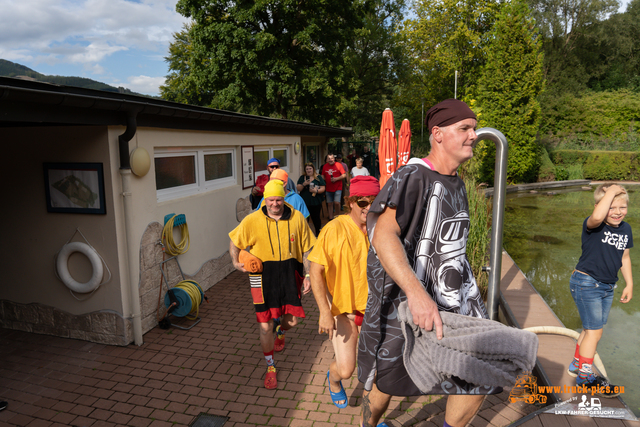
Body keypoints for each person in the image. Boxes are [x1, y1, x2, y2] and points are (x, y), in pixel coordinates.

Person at [357, 99, 498, 427]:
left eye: (474, 128)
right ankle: (368, 424)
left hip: (452, 305)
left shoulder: (456, 182)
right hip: (409, 306)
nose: (473, 135)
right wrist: (417, 293)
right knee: (388, 377)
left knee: (478, 369)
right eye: (464, 128)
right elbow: (383, 236)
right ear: (437, 134)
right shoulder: (414, 176)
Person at [229, 180, 316, 389]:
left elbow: (308, 249)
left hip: (290, 274)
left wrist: (309, 274)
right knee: (265, 325)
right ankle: (270, 367)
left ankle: (282, 331)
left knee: (292, 321)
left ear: (283, 198)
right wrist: (235, 261)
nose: (275, 204)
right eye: (271, 200)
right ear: (265, 199)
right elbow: (234, 240)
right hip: (261, 278)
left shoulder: (297, 218)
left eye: (278, 199)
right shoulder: (252, 220)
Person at [309, 176, 380, 408]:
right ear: (350, 202)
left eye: (374, 201)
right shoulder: (334, 229)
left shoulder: (381, 228)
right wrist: (324, 312)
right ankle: (333, 377)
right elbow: (316, 270)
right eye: (362, 202)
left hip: (374, 313)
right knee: (347, 369)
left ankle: (370, 418)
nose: (368, 207)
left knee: (377, 371)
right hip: (344, 313)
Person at [565, 182, 633, 397]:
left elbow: (625, 256)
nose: (617, 213)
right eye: (611, 207)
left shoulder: (626, 229)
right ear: (599, 205)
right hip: (586, 282)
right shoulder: (593, 224)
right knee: (595, 332)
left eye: (622, 207)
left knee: (589, 329)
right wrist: (611, 191)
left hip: (607, 286)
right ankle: (585, 378)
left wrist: (630, 283)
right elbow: (597, 217)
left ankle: (577, 364)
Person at [297, 163, 326, 235]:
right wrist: (304, 184)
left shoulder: (318, 177)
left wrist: (316, 191)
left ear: (313, 169)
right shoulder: (302, 177)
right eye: (307, 169)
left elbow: (323, 188)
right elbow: (298, 188)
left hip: (315, 202)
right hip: (305, 202)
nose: (308, 170)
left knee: (316, 219)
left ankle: (318, 234)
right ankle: (305, 235)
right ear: (305, 170)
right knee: (304, 219)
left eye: (310, 168)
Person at [321, 154, 346, 221]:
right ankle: (331, 218)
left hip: (338, 187)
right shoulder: (325, 166)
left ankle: (338, 216)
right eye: (329, 158)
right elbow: (323, 175)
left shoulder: (339, 165)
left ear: (334, 159)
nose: (330, 160)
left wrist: (336, 179)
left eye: (331, 158)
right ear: (327, 160)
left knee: (337, 203)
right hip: (328, 187)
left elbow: (344, 175)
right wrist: (323, 180)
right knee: (329, 203)